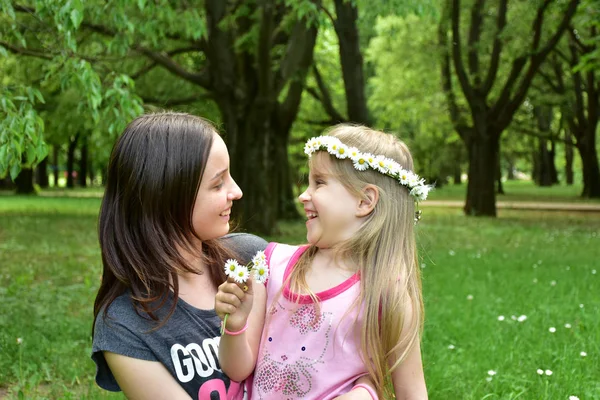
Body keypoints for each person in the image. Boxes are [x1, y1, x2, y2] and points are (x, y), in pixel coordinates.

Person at [215, 124, 430, 399]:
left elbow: (412, 392)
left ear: (365, 201)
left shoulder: (385, 293)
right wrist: (235, 325)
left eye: (319, 182)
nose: (303, 195)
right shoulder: (272, 264)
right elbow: (237, 369)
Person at [92, 112, 268, 400]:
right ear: (167, 197)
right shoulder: (124, 325)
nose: (236, 191)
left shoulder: (252, 258)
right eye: (217, 183)